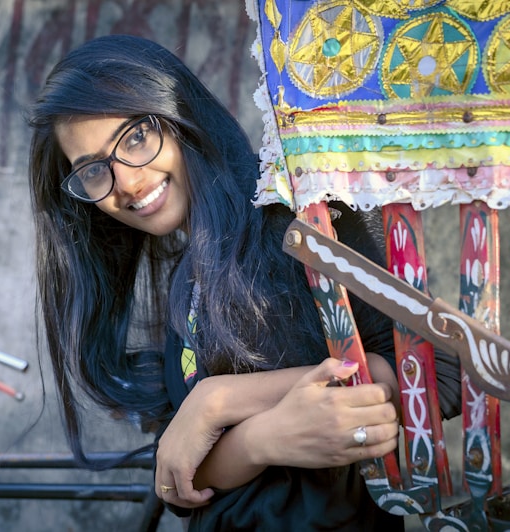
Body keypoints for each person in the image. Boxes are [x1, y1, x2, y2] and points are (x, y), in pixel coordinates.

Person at [27, 34, 460, 530]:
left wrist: (219, 401)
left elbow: (436, 372)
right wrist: (260, 440)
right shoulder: (185, 281)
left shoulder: (306, 215)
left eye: (136, 138)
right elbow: (179, 482)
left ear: (180, 116)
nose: (125, 183)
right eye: (93, 171)